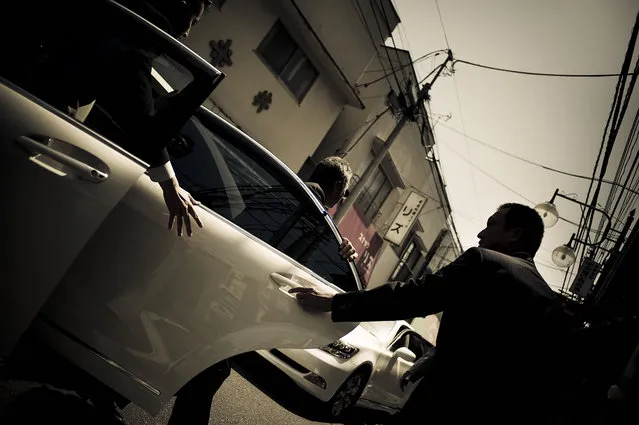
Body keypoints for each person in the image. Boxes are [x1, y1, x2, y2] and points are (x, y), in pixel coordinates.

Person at [291, 203, 563, 424]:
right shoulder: (549, 302)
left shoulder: (485, 261)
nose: (481, 233)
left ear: (514, 234)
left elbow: (415, 297)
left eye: (491, 224)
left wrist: (336, 303)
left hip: (445, 403)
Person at [30, 0, 214, 237]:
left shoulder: (120, 20)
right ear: (179, 4)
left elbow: (124, 102)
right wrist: (171, 186)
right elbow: (142, 125)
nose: (188, 32)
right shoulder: (136, 39)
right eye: (192, 20)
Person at [305, 156, 358, 261]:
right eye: (345, 191)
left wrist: (339, 242)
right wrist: (335, 243)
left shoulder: (285, 189)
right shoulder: (315, 203)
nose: (343, 196)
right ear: (337, 186)